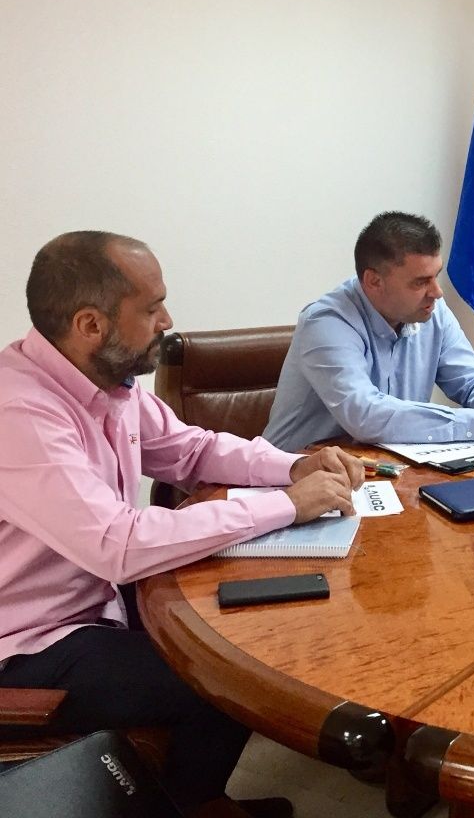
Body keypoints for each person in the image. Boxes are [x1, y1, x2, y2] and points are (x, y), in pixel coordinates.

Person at [0, 231, 364, 818]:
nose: (167, 319)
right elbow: (117, 544)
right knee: (226, 677)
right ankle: (195, 804)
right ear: (90, 324)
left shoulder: (104, 382)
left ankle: (196, 797)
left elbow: (190, 450)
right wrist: (287, 504)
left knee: (254, 621)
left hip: (95, 596)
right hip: (31, 642)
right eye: (150, 309)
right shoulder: (19, 412)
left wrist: (292, 464)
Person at [263, 211, 474, 451]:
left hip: (386, 471)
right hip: (294, 484)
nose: (437, 292)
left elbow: (470, 380)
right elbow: (365, 415)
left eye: (436, 276)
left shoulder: (431, 311)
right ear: (374, 281)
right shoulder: (326, 323)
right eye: (420, 282)